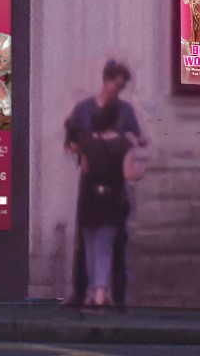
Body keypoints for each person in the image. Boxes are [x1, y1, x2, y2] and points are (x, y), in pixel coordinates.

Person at [62, 62, 146, 312]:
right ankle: (85, 292)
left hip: (113, 183)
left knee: (113, 241)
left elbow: (138, 137)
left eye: (122, 87)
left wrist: (127, 143)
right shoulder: (84, 109)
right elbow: (71, 139)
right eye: (116, 85)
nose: (117, 91)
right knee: (88, 240)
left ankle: (114, 294)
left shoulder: (125, 111)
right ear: (106, 80)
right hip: (92, 183)